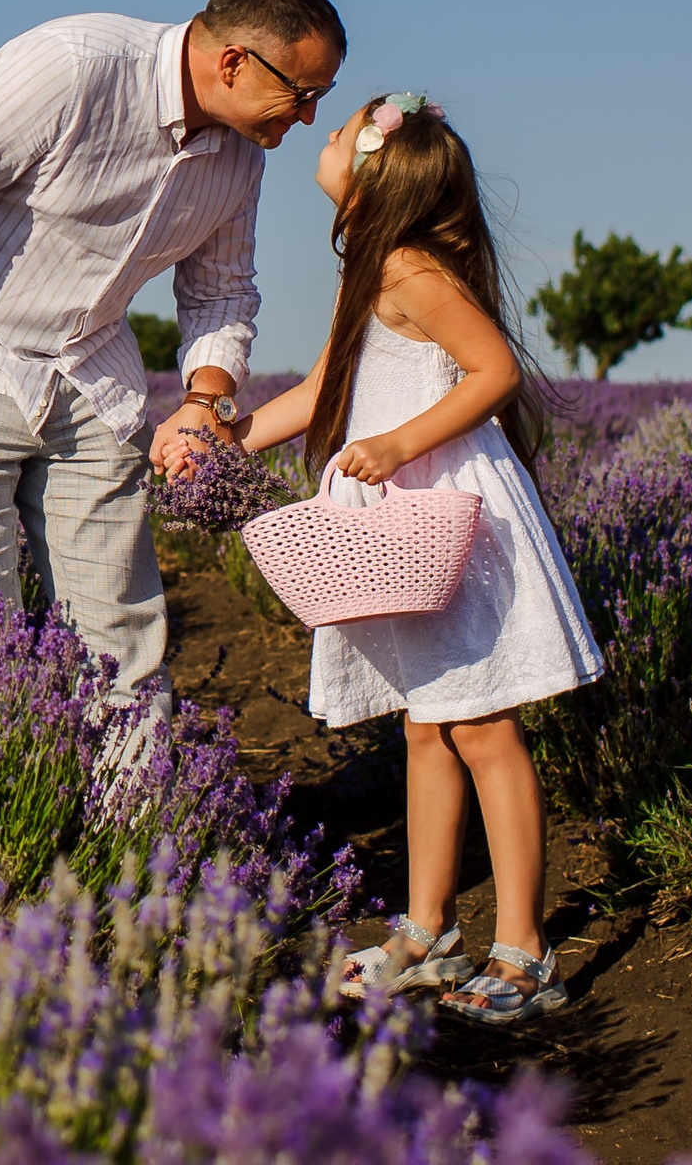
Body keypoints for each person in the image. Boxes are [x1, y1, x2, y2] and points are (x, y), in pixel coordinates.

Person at [0, 0, 346, 708]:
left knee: (120, 634)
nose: (306, 118)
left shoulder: (242, 156)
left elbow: (221, 291)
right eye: (301, 93)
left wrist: (207, 399)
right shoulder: (76, 65)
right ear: (234, 61)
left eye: (319, 99)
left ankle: (135, 822)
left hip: (90, 380)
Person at [229, 91, 604, 1028]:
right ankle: (427, 931)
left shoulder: (410, 268)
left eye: (342, 130)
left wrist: (396, 446)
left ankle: (524, 947)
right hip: (403, 524)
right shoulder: (372, 264)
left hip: (448, 516)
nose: (326, 134)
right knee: (425, 725)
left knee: (481, 728)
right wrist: (228, 441)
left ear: (371, 173)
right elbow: (327, 388)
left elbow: (495, 371)